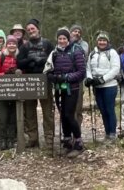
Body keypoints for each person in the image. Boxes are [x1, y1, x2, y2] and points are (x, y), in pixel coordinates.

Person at [16, 18, 55, 149]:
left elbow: (54, 59)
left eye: (32, 28)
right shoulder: (24, 46)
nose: (31, 31)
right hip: (29, 81)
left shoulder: (48, 43)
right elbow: (19, 62)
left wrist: (41, 61)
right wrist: (30, 60)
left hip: (45, 80)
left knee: (48, 111)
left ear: (38, 29)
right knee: (29, 112)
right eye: (28, 30)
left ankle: (49, 138)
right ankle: (33, 138)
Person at [48, 29, 86, 157]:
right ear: (57, 39)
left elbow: (82, 72)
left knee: (69, 115)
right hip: (60, 88)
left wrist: (66, 77)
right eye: (60, 39)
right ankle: (67, 142)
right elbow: (50, 69)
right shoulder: (55, 52)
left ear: (68, 39)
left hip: (72, 88)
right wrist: (52, 76)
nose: (62, 41)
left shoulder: (76, 50)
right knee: (63, 115)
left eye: (64, 38)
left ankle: (79, 143)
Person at [84, 31, 120, 141]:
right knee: (102, 110)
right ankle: (107, 132)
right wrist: (89, 78)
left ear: (108, 41)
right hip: (97, 86)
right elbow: (88, 67)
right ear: (97, 41)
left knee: (109, 109)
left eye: (104, 40)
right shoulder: (92, 53)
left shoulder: (112, 53)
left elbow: (115, 69)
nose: (102, 42)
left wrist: (102, 79)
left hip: (110, 85)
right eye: (100, 40)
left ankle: (113, 133)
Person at [0, 35, 20, 150]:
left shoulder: (19, 56)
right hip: (2, 92)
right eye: (10, 43)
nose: (12, 45)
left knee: (13, 118)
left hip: (16, 91)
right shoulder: (0, 57)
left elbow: (25, 73)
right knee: (3, 118)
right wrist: (5, 74)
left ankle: (11, 138)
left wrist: (18, 73)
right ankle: (2, 139)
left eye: (14, 43)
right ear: (6, 45)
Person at [70, 24, 89, 127]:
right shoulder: (64, 41)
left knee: (78, 105)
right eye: (74, 31)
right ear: (70, 32)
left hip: (79, 78)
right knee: (67, 107)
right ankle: (68, 132)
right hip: (66, 77)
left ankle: (77, 132)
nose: (77, 33)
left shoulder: (84, 44)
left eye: (79, 32)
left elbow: (83, 53)